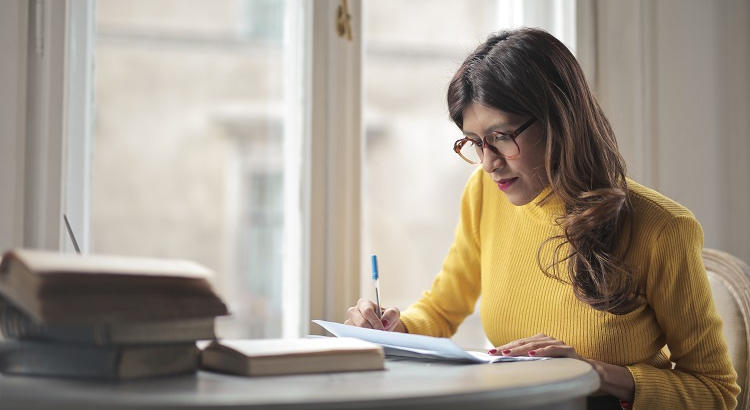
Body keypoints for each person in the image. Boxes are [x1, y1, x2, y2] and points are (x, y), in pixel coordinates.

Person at [345, 28, 739, 409]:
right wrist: (396, 331)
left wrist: (594, 372)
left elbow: (715, 391)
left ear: (558, 121)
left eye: (501, 137)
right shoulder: (484, 194)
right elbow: (443, 308)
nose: (488, 163)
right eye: (475, 142)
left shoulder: (661, 229)